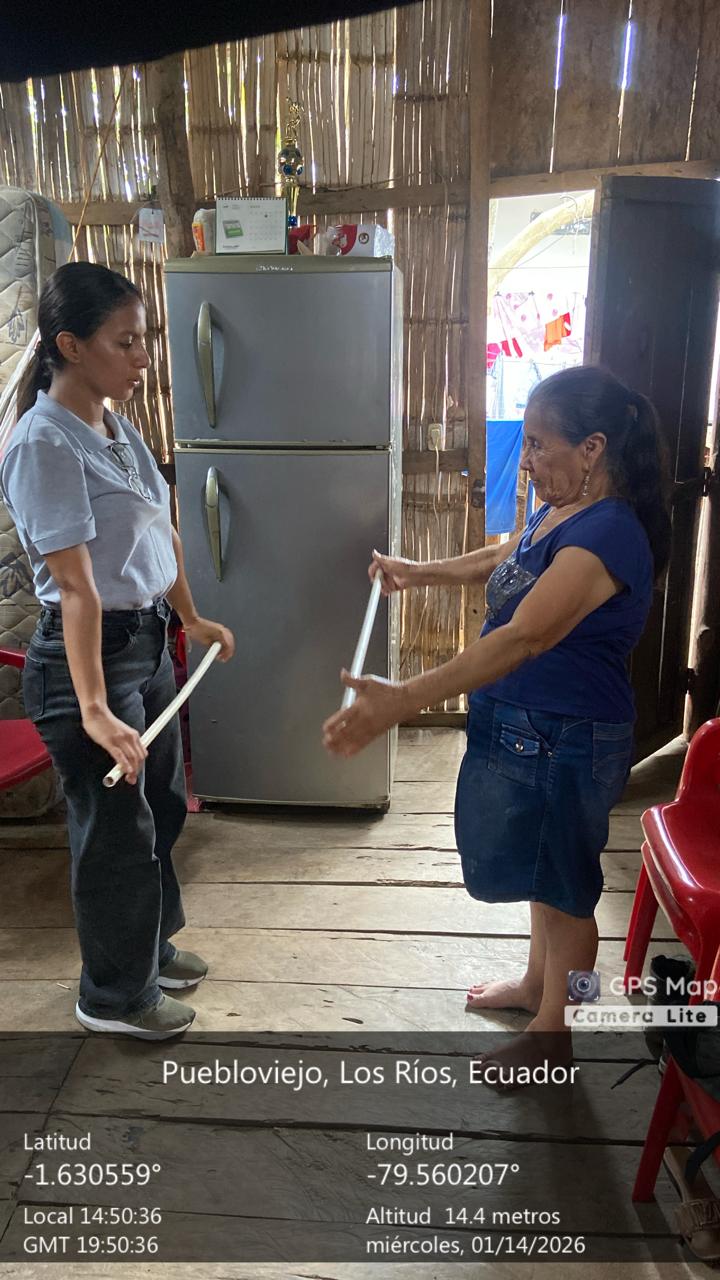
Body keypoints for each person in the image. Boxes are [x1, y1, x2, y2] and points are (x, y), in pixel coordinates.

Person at [323, 365, 671, 1076]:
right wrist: (416, 571)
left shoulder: (610, 533)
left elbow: (524, 637)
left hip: (569, 736)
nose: (529, 459)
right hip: (533, 727)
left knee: (568, 892)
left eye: (540, 444)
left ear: (593, 448)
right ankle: (539, 989)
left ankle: (556, 1034)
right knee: (546, 875)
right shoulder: (561, 510)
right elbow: (502, 556)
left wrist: (404, 697)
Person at [1, 261, 234, 1040]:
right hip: (85, 667)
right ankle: (112, 998)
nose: (143, 358)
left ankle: (147, 952)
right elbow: (76, 590)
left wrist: (190, 618)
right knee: (114, 836)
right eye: (125, 342)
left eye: (144, 339)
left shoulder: (112, 422)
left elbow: (160, 531)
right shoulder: (43, 444)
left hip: (144, 645)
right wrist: (95, 709)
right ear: (70, 345)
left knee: (160, 808)